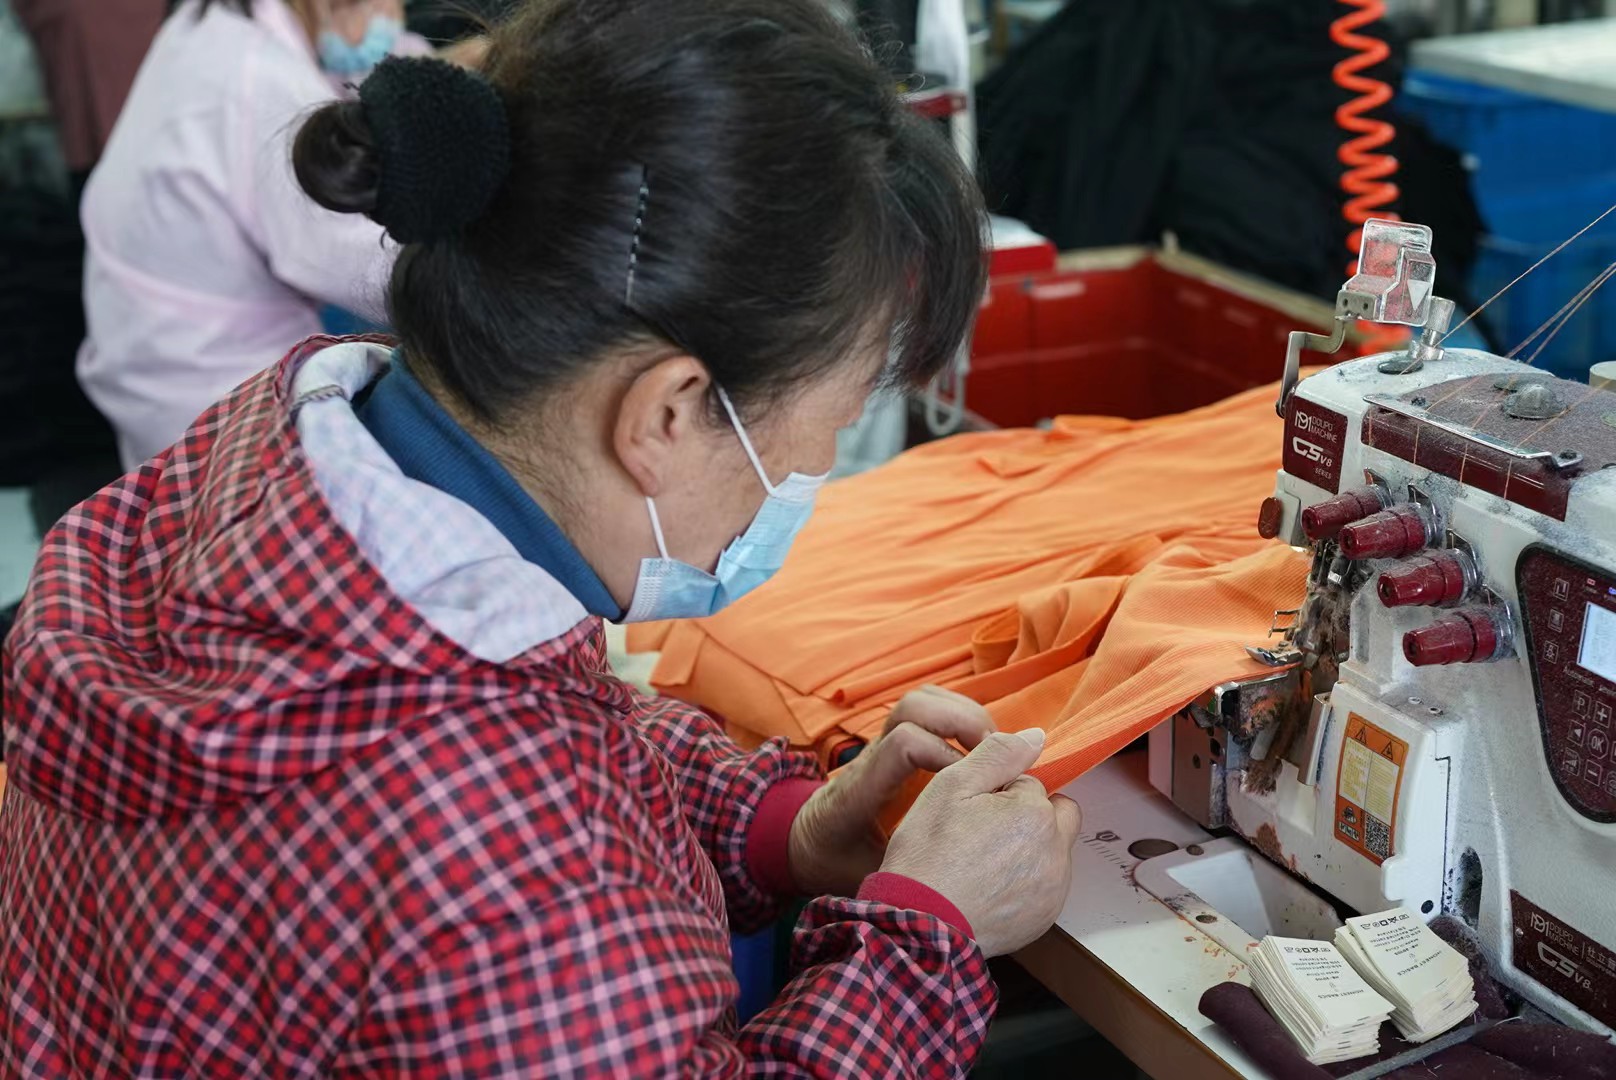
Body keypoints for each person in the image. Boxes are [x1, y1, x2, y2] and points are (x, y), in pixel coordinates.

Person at [0, 0, 1082, 1075]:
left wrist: (785, 828)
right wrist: (923, 931)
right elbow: (520, 801)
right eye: (833, 423)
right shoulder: (500, 876)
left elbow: (567, 717)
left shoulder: (271, 449)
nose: (813, 472)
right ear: (666, 413)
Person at [73, 0, 464, 470]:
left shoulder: (209, 24)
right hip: (216, 405)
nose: (390, 12)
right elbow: (372, 271)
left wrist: (448, 68)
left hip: (150, 366)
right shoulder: (257, 80)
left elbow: (364, 75)